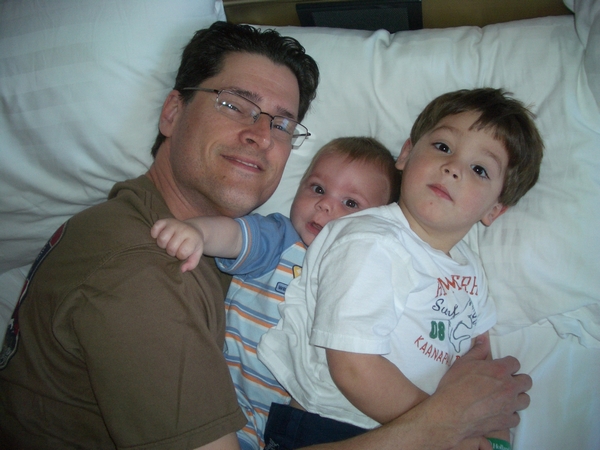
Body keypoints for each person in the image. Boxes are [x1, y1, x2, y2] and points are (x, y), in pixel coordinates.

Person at [0, 19, 532, 450]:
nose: (260, 134)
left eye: (281, 123)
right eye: (234, 103)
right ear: (172, 112)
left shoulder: (165, 230)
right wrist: (437, 426)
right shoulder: (141, 268)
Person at [257, 88, 544, 450]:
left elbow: (479, 360)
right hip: (332, 424)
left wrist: (492, 435)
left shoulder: (470, 270)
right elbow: (353, 367)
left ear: (494, 210)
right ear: (406, 154)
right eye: (443, 146)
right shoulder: (370, 239)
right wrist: (446, 428)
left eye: (479, 169)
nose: (453, 168)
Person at [151, 136, 401, 449]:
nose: (325, 204)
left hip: (298, 424)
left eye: (350, 203)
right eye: (317, 188)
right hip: (229, 403)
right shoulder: (281, 238)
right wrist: (199, 232)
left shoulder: (366, 275)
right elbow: (235, 237)